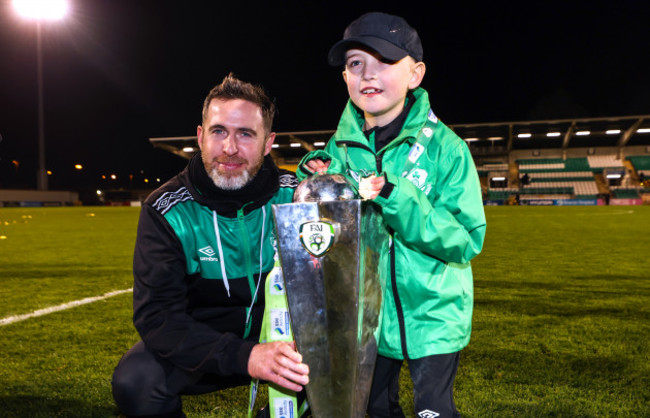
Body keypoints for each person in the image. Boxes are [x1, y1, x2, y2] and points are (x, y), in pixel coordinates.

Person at [297, 12, 487, 417]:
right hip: (367, 317)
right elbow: (323, 232)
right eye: (355, 64)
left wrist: (397, 198)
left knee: (433, 410)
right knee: (374, 410)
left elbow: (465, 240)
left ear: (415, 74)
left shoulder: (447, 149)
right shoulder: (338, 149)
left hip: (433, 316)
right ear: (344, 78)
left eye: (384, 61)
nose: (368, 74)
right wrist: (312, 179)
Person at [111, 74, 309, 418]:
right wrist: (245, 356)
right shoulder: (168, 210)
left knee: (344, 358)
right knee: (137, 380)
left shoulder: (295, 197)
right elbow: (158, 318)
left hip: (288, 347)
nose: (229, 148)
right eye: (219, 131)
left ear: (267, 142)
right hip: (204, 348)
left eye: (245, 134)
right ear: (200, 137)